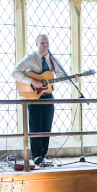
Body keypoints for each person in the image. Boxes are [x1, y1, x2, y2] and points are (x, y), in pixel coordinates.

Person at [12, 34, 77, 166]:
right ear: (36, 44)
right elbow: (15, 72)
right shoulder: (31, 58)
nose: (45, 45)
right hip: (34, 98)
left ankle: (43, 156)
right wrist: (32, 81)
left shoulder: (52, 59)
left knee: (47, 127)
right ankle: (35, 156)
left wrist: (74, 79)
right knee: (36, 127)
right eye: (42, 43)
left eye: (47, 43)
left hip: (48, 97)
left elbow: (60, 75)